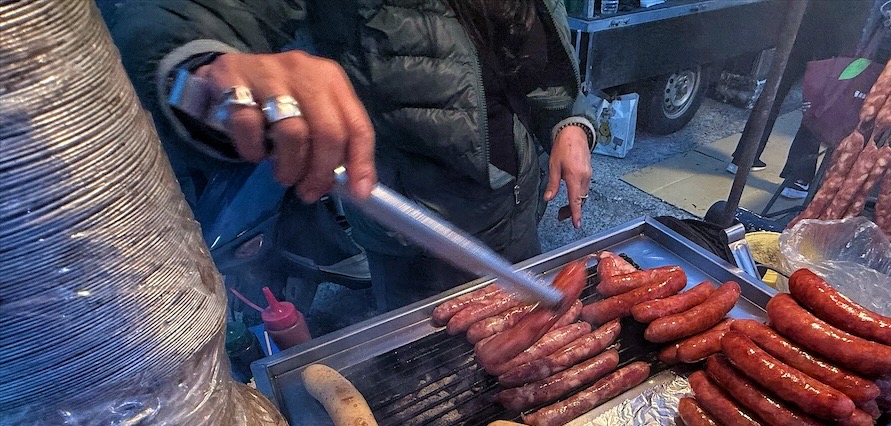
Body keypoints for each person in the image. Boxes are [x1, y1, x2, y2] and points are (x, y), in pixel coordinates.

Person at [104, 0, 596, 311]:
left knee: (535, 331)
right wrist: (201, 62)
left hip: (518, 196)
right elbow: (177, 13)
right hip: (412, 230)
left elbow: (534, 38)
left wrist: (568, 118)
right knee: (433, 375)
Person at [725, 0, 875, 197]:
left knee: (774, 90)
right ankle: (798, 178)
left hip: (801, 22)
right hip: (836, 31)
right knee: (818, 102)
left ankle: (744, 157)